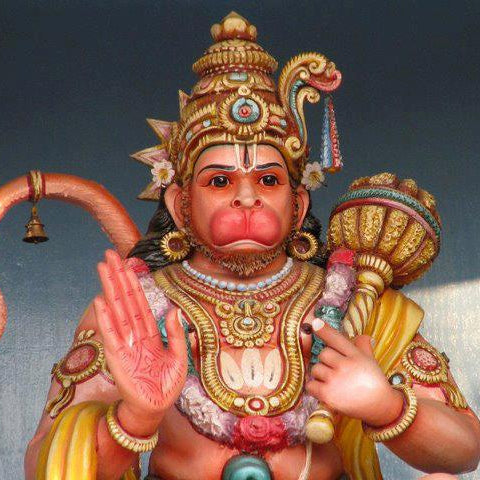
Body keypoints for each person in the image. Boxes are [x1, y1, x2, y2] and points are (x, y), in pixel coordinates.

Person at [23, 12, 479, 480]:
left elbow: (465, 448)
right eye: (219, 180)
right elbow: (45, 465)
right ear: (180, 204)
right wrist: (135, 417)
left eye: (268, 179)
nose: (246, 197)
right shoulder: (133, 312)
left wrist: (386, 406)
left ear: (298, 205)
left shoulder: (355, 306)